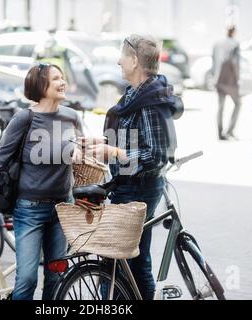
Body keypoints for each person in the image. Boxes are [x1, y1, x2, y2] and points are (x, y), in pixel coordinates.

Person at [0, 63, 83, 300]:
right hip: (30, 210)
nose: (63, 82)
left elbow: (83, 150)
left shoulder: (71, 117)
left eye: (62, 77)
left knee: (56, 276)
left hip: (63, 208)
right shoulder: (25, 118)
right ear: (41, 85)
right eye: (56, 79)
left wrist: (81, 149)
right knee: (27, 279)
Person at [81, 34, 181, 300]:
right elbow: (132, 137)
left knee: (124, 263)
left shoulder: (150, 100)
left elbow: (157, 155)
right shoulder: (139, 94)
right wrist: (102, 143)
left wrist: (112, 152)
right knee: (132, 262)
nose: (118, 61)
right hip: (129, 187)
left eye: (122, 56)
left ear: (135, 60)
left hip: (138, 189)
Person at [212, 25, 241, 140]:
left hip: (218, 80)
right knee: (238, 104)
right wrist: (238, 77)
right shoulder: (235, 44)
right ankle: (230, 130)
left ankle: (220, 133)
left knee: (220, 107)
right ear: (234, 32)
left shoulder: (217, 44)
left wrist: (214, 77)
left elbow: (213, 61)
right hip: (230, 81)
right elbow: (235, 63)